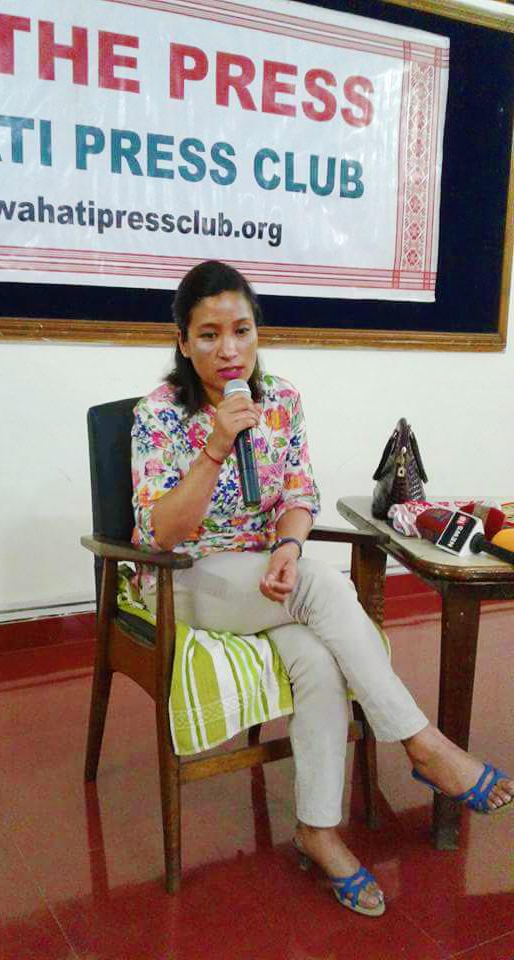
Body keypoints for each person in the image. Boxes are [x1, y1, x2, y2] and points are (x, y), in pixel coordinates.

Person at [131, 260, 514, 916]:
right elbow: (162, 532)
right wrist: (216, 445)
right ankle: (421, 742)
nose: (229, 349)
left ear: (257, 331)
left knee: (317, 657)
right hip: (185, 577)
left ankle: (317, 830)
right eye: (209, 335)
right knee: (320, 587)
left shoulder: (280, 398)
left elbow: (299, 494)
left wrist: (287, 546)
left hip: (266, 573)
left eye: (242, 330)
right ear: (183, 341)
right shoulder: (159, 414)